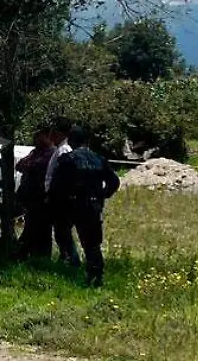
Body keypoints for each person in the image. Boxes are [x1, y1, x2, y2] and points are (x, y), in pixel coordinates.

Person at [49, 125, 120, 287]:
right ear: (87, 141)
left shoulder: (67, 159)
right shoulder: (99, 159)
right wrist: (102, 195)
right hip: (94, 204)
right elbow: (114, 181)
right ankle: (96, 273)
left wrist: (57, 202)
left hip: (73, 204)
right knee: (93, 241)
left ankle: (78, 265)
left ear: (72, 141)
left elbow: (57, 185)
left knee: (65, 233)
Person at [15, 127, 56, 258]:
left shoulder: (51, 153)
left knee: (42, 229)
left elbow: (38, 167)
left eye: (39, 136)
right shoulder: (35, 152)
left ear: (46, 136)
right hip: (30, 198)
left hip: (42, 198)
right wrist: (29, 165)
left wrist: (30, 165)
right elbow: (20, 165)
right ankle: (30, 254)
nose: (36, 139)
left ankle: (40, 257)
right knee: (31, 226)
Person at [42, 118, 78, 264]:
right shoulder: (59, 149)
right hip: (56, 195)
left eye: (54, 132)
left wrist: (53, 193)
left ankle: (71, 258)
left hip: (60, 197)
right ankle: (66, 256)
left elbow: (61, 175)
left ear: (59, 133)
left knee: (63, 230)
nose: (51, 135)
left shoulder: (64, 151)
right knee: (60, 230)